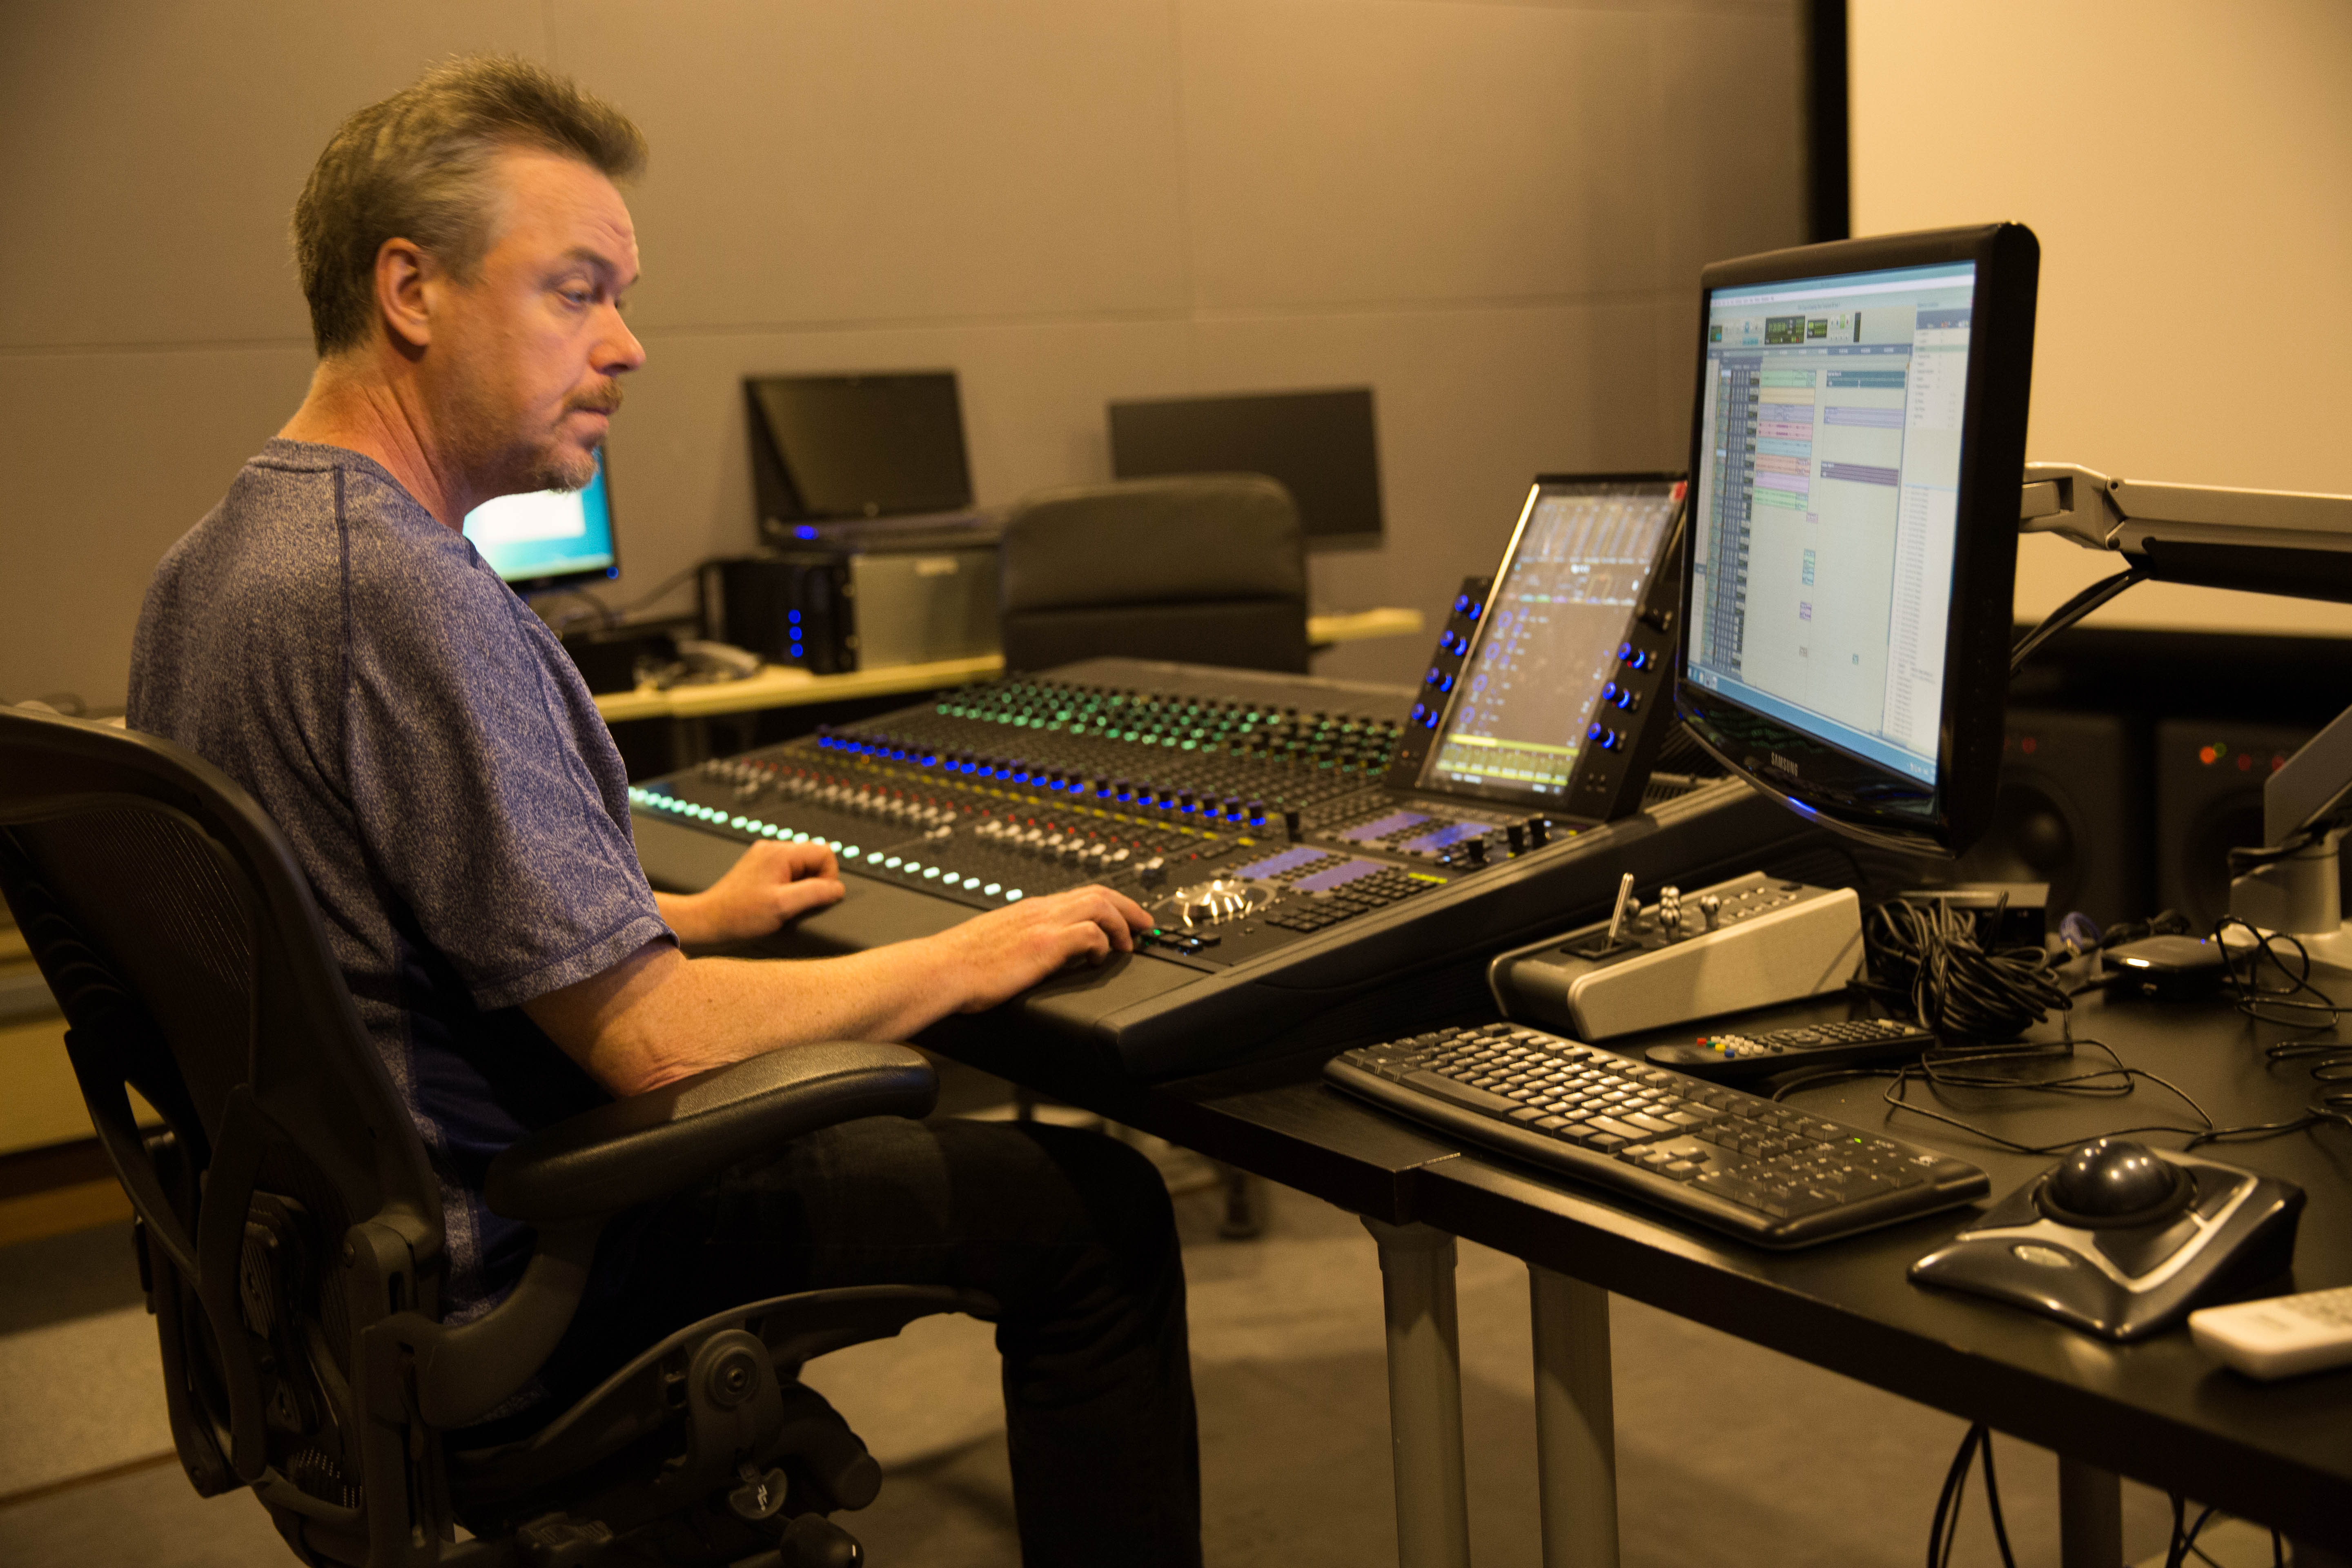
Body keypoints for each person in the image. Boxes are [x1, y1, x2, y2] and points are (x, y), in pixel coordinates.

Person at [125, 56, 1198, 1566]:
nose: (628, 346)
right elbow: (661, 1048)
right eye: (576, 292)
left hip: (323, 1286)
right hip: (523, 1267)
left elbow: (355, 930)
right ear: (411, 292)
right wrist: (970, 954)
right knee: (1095, 1208)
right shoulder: (404, 595)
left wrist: (685, 914)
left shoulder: (214, 567)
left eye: (622, 299)